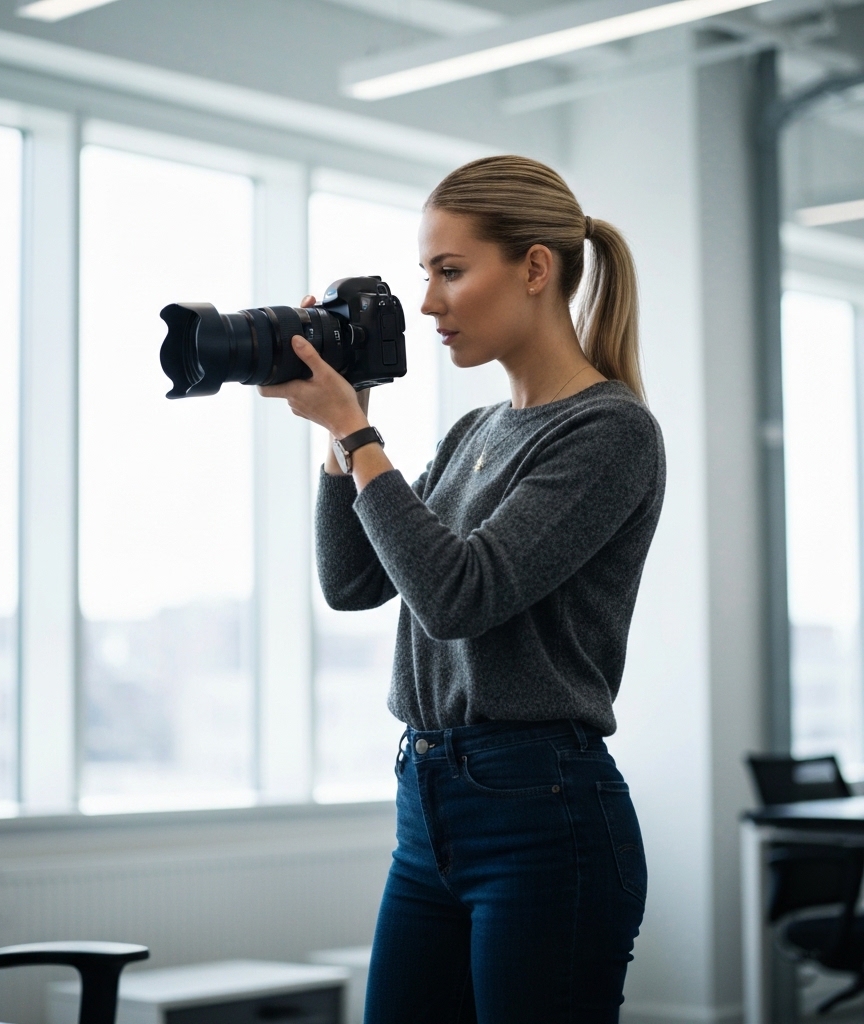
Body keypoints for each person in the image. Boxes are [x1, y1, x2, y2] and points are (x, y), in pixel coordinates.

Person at [259, 155, 666, 1023]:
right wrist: (344, 426)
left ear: (534, 268)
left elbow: (458, 598)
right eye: (425, 274)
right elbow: (352, 581)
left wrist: (355, 432)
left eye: (450, 271)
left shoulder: (610, 430)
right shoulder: (475, 430)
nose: (428, 303)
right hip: (427, 807)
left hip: (540, 815)